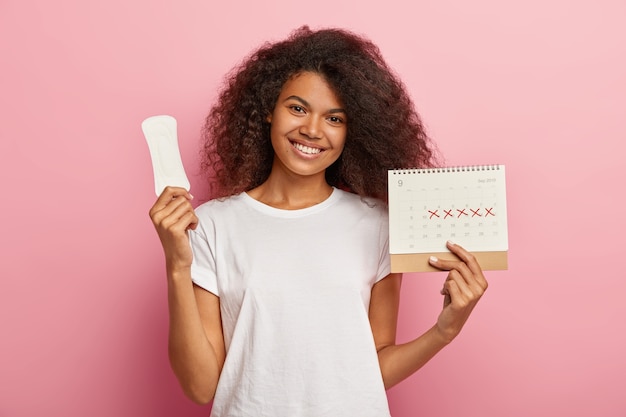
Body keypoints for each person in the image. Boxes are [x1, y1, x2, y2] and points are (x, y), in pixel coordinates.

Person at [149, 26, 488, 417]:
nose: (312, 129)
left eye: (334, 118)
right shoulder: (211, 226)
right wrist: (177, 265)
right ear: (266, 110)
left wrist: (445, 330)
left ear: (352, 131)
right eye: (297, 108)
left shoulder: (378, 225)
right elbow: (200, 386)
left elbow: (370, 367)